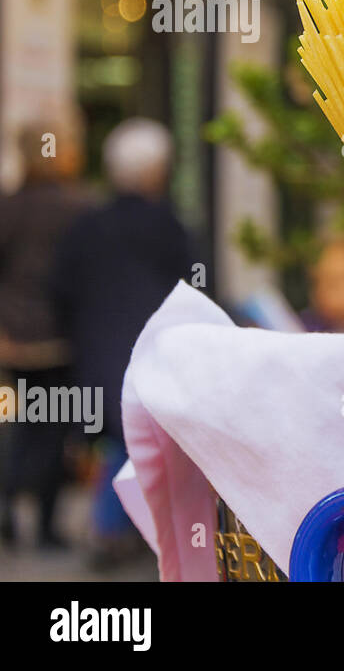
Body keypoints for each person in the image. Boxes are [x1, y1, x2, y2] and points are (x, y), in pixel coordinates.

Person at [52, 117, 193, 568]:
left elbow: (60, 290)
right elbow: (193, 289)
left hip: (96, 351)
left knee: (117, 436)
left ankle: (117, 527)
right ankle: (123, 527)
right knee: (136, 438)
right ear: (158, 172)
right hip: (152, 350)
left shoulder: (85, 226)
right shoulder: (168, 225)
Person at [0, 118, 95, 548]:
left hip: (15, 341)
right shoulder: (79, 209)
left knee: (20, 425)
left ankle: (8, 514)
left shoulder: (10, 207)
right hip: (61, 340)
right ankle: (46, 525)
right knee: (56, 425)